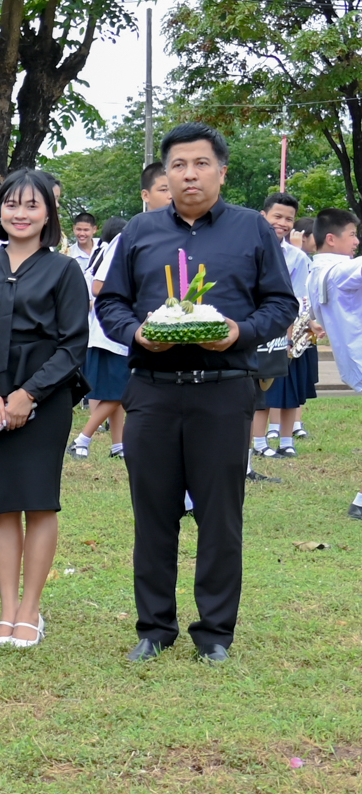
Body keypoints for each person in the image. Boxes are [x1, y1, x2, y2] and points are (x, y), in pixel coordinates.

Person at [96, 123, 300, 664]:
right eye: (179, 165)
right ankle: (154, 628)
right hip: (153, 392)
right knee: (153, 516)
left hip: (223, 392)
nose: (190, 174)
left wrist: (241, 332)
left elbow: (281, 303)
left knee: (220, 517)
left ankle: (214, 633)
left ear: (221, 172)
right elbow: (110, 303)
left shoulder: (251, 229)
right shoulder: (139, 231)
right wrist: (137, 333)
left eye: (201, 163)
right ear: (165, 174)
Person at [0, 169, 89, 649]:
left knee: (38, 499)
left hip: (45, 395)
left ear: (48, 213)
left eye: (32, 205)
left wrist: (29, 394)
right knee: (2, 503)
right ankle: (7, 611)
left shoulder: (65, 270)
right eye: (12, 204)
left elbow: (73, 344)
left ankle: (31, 611)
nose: (20, 213)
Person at [304, 210, 362, 517]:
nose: (356, 241)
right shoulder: (342, 271)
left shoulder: (315, 273)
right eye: (352, 234)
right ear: (331, 238)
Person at [250, 193, 315, 458]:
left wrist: (288, 339)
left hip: (281, 331)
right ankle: (258, 443)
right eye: (277, 216)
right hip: (251, 328)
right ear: (263, 216)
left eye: (289, 219)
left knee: (282, 387)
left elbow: (296, 301)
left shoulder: (297, 257)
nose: (283, 223)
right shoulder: (246, 247)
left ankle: (284, 440)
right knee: (256, 391)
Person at [71, 215, 130, 459]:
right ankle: (82, 439)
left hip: (102, 334)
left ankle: (118, 445)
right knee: (122, 392)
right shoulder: (114, 252)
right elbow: (97, 289)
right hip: (111, 336)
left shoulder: (100, 252)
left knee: (113, 394)